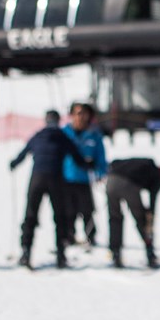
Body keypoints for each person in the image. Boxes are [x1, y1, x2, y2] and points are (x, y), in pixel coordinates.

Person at [9, 109, 91, 269]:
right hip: (55, 179)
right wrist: (88, 164)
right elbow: (77, 157)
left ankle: (26, 252)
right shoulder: (62, 137)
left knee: (30, 215)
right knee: (60, 217)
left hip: (37, 178)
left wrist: (13, 164)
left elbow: (24, 152)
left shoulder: (38, 135)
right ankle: (61, 255)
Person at [60, 102, 108, 248]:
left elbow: (101, 156)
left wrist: (101, 172)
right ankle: (68, 236)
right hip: (66, 177)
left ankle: (91, 236)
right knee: (68, 210)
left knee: (87, 210)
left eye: (84, 113)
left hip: (85, 178)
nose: (81, 117)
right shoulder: (65, 133)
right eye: (77, 113)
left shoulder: (94, 135)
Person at [106, 158, 160, 269]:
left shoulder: (145, 163)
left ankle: (115, 253)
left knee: (115, 218)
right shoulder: (157, 176)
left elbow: (114, 162)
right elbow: (152, 203)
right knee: (141, 219)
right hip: (128, 185)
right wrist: (149, 219)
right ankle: (150, 253)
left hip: (111, 180)